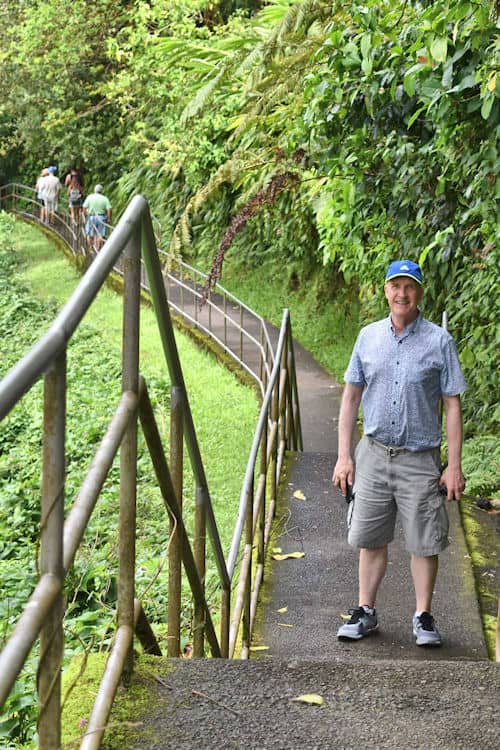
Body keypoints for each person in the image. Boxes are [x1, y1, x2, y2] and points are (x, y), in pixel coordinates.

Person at [332, 259, 466, 647]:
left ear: (420, 292)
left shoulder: (439, 341)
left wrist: (453, 466)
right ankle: (365, 611)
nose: (402, 294)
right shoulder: (367, 337)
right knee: (370, 537)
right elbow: (350, 398)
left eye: (410, 287)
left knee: (424, 542)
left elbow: (452, 405)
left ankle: (423, 616)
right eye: (396, 286)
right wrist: (345, 456)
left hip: (419, 458)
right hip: (373, 455)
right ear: (386, 290)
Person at [82, 184, 112, 251]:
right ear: (101, 191)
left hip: (91, 217)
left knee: (89, 233)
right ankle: (98, 250)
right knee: (100, 234)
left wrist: (85, 215)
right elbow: (109, 209)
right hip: (101, 218)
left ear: (94, 190)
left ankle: (91, 248)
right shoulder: (105, 198)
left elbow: (84, 207)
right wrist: (109, 219)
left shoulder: (90, 197)